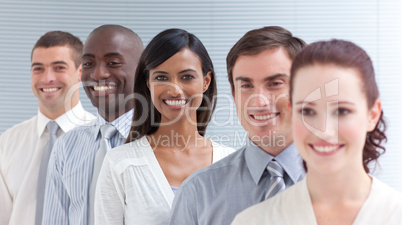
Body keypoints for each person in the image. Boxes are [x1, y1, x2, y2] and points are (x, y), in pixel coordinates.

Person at [232, 39, 402, 225]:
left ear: (372, 114)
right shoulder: (252, 221)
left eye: (342, 111)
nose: (324, 131)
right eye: (307, 111)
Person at [94, 28, 235, 225]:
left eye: (186, 77)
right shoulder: (120, 163)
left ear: (206, 82)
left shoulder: (232, 163)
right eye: (161, 77)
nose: (174, 90)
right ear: (148, 83)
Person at [169, 26, 307, 225]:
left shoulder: (349, 185)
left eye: (275, 83)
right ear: (234, 95)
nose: (258, 102)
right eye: (246, 86)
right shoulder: (198, 192)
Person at [41, 25, 143, 225]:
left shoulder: (161, 143)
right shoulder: (66, 147)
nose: (98, 74)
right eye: (88, 63)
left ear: (142, 70)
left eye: (113, 62)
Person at [0, 31, 95, 225]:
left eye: (59, 67)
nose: (47, 78)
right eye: (38, 69)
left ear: (80, 73)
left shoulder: (101, 139)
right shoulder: (7, 142)